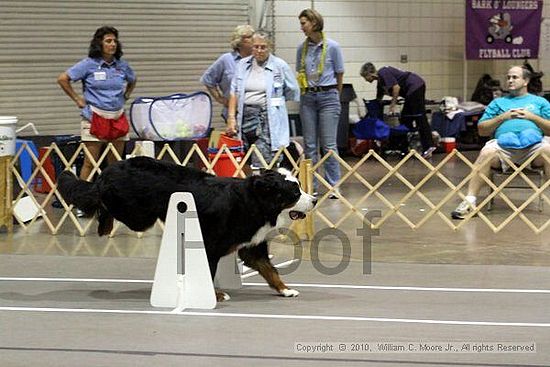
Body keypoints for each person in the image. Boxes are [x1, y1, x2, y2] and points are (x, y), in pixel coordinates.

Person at [451, 65, 550, 219]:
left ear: (526, 81)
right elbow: (482, 130)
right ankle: (469, 202)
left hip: (533, 148)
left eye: (514, 77)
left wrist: (533, 117)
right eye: (508, 77)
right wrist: (502, 118)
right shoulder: (497, 103)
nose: (510, 80)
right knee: (487, 152)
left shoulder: (540, 102)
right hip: (504, 149)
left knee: (548, 150)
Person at [57, 25, 136, 185]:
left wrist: (127, 94)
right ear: (99, 44)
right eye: (108, 41)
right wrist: (77, 99)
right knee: (90, 162)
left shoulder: (122, 65)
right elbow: (63, 79)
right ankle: (81, 200)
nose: (112, 44)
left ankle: (112, 197)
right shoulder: (88, 64)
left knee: (115, 164)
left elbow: (132, 80)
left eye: (115, 41)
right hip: (94, 117)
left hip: (117, 117)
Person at [226, 31, 299, 168]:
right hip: (245, 118)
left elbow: (293, 90)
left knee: (265, 160)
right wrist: (231, 118)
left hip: (266, 118)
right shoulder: (242, 65)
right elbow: (234, 92)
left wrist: (276, 102)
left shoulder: (280, 65)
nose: (259, 50)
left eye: (263, 47)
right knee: (246, 159)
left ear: (270, 47)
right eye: (256, 46)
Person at [296, 8, 344, 198]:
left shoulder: (333, 47)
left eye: (303, 23)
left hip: (328, 96)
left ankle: (333, 185)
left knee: (329, 145)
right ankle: (311, 185)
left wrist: (335, 96)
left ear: (314, 23)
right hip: (308, 97)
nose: (301, 27)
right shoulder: (302, 48)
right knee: (309, 145)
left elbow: (339, 73)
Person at [360, 62, 436, 158]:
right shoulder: (380, 81)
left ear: (369, 74)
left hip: (415, 86)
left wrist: (392, 105)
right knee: (405, 119)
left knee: (419, 117)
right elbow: (379, 98)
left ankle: (428, 146)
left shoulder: (383, 72)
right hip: (410, 92)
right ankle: (404, 148)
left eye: (365, 77)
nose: (366, 80)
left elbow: (396, 88)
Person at [200, 25, 254, 121]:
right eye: (249, 37)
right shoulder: (226, 59)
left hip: (255, 113)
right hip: (234, 113)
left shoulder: (257, 60)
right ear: (239, 41)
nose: (253, 39)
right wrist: (220, 99)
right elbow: (207, 79)